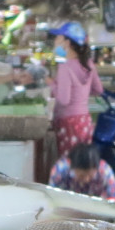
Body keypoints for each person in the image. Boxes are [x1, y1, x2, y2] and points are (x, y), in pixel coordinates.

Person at [48, 21, 104, 158]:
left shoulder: (65, 67)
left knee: (70, 164)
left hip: (69, 124)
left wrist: (50, 83)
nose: (55, 42)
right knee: (83, 162)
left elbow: (63, 99)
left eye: (58, 38)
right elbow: (98, 90)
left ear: (67, 43)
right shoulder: (88, 64)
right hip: (84, 121)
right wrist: (80, 94)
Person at [49, 142, 115, 200]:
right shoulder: (60, 171)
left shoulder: (106, 173)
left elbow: (114, 202)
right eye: (82, 175)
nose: (86, 179)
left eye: (91, 175)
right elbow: (51, 198)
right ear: (71, 166)